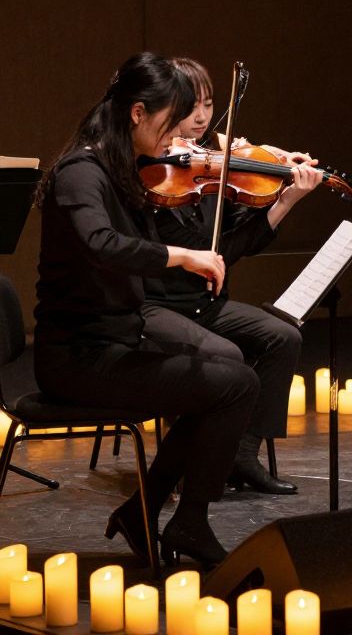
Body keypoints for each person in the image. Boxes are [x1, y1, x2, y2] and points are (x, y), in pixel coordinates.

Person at [33, 52, 259, 567]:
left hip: (117, 342)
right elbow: (101, 242)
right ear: (138, 113)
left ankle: (148, 511)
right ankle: (188, 521)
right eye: (169, 120)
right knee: (235, 385)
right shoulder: (80, 172)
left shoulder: (124, 172)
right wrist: (181, 257)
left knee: (228, 374)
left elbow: (175, 235)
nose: (177, 133)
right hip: (77, 359)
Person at [139, 58, 319, 495]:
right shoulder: (146, 173)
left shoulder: (215, 169)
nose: (201, 117)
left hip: (207, 305)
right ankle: (187, 460)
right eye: (190, 106)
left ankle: (242, 453)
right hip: (157, 308)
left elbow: (235, 248)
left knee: (284, 337)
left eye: (208, 104)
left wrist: (288, 198)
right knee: (225, 357)